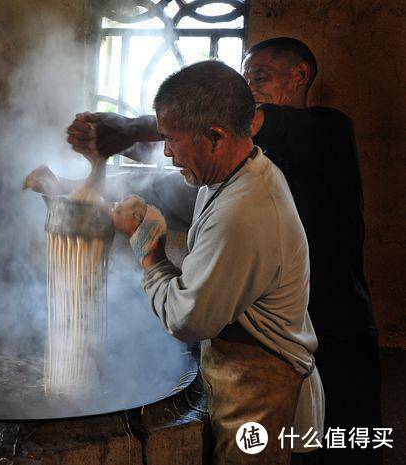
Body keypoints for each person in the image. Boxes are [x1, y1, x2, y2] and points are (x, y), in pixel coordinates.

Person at [58, 37, 381, 465]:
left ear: (300, 75)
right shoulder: (235, 169)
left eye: (259, 77)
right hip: (275, 336)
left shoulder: (323, 129)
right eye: (245, 79)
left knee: (346, 449)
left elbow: (188, 318)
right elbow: (169, 174)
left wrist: (125, 131)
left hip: (331, 332)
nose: (251, 88)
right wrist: (70, 188)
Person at [114, 60, 323, 465]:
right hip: (242, 371)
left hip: (262, 384)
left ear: (215, 136)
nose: (168, 153)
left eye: (171, 139)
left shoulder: (242, 210)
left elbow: (188, 321)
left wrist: (149, 250)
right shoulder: (235, 173)